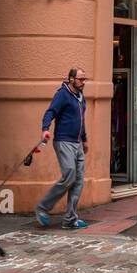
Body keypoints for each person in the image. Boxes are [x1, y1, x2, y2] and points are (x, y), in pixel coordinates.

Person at [35, 68, 90, 230]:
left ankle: (70, 219)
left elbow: (81, 120)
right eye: (81, 79)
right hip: (64, 141)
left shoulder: (80, 96)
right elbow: (50, 112)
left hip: (77, 142)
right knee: (70, 175)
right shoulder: (62, 94)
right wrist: (45, 128)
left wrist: (85, 139)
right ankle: (42, 208)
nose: (83, 82)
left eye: (84, 79)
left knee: (78, 181)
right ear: (71, 79)